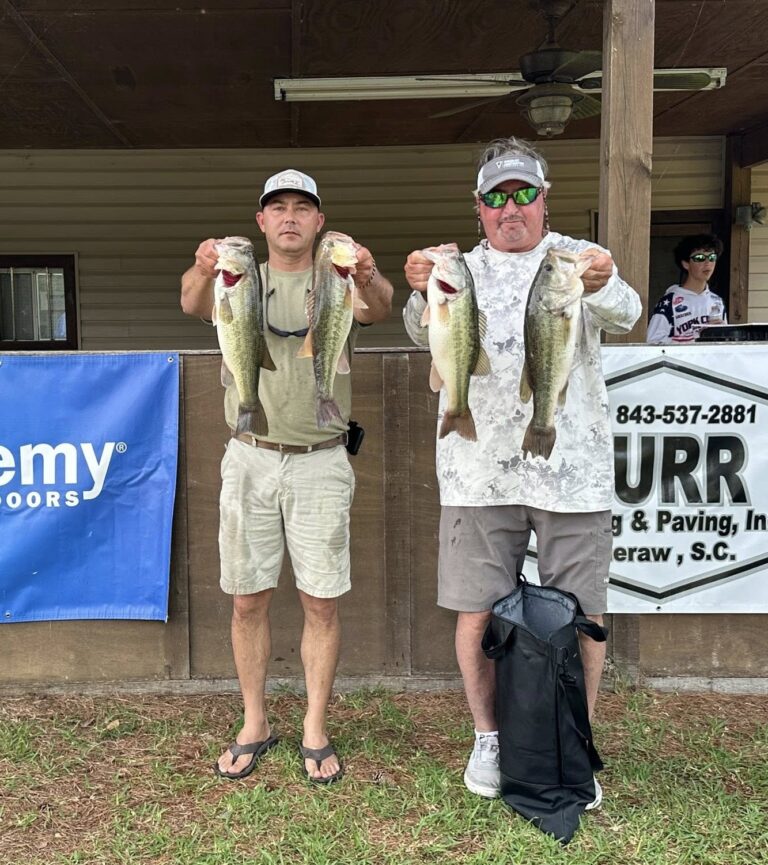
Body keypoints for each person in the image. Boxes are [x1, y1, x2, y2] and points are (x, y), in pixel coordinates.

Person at [402, 137, 641, 802]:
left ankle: (574, 742)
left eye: (525, 192)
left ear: (544, 199)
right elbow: (423, 329)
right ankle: (490, 738)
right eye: (498, 196)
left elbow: (628, 312)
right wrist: (422, 286)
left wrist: (607, 280)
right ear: (478, 207)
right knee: (476, 611)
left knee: (581, 614)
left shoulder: (578, 260)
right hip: (477, 472)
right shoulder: (459, 266)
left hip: (575, 469)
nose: (513, 206)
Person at [180, 169, 393, 783]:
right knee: (247, 598)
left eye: (304, 207)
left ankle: (314, 727)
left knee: (320, 602)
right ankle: (255, 720)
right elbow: (194, 301)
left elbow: (379, 309)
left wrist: (368, 274)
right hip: (249, 453)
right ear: (261, 222)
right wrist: (202, 266)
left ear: (320, 222)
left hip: (322, 460)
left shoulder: (338, 274)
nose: (291, 217)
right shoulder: (239, 277)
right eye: (279, 208)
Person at [647, 234, 727, 344]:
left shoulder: (717, 301)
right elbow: (653, 341)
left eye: (712, 258)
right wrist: (699, 336)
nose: (708, 263)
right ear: (685, 264)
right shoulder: (668, 302)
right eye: (700, 258)